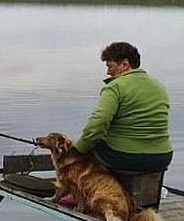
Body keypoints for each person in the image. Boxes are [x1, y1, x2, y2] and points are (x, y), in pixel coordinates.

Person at [74, 41, 172, 173]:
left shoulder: (115, 87)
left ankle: (80, 191)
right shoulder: (159, 86)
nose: (108, 72)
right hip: (162, 157)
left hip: (127, 157)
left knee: (89, 146)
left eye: (110, 66)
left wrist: (77, 149)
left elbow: (98, 123)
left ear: (125, 64)